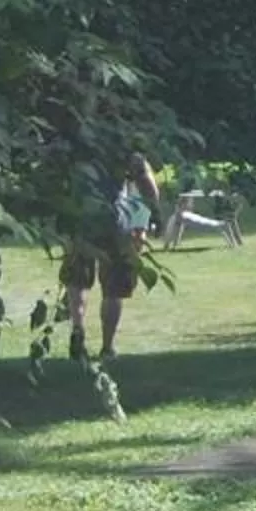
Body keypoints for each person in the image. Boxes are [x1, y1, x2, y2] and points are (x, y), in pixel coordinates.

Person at [61, 154, 162, 363]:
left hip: (79, 219)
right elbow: (147, 185)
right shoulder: (122, 149)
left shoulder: (73, 143)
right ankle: (107, 347)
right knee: (113, 289)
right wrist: (155, 213)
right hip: (114, 220)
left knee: (78, 279)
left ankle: (78, 329)